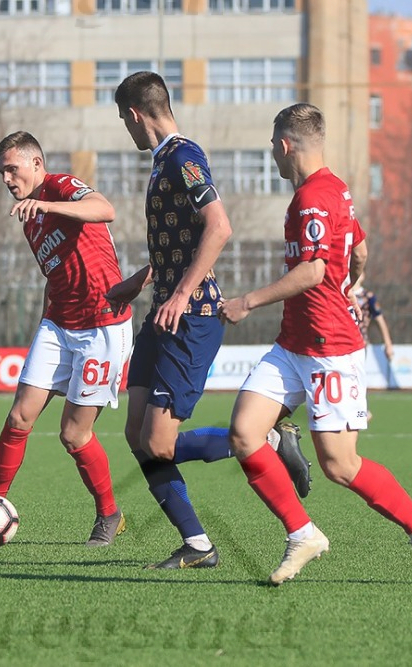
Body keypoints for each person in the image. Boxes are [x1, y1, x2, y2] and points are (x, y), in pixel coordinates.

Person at [219, 103, 412, 585]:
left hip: (330, 348)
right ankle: (302, 534)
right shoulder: (335, 188)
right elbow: (359, 249)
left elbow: (314, 270)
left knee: (340, 466)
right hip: (293, 344)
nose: (273, 155)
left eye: (272, 147)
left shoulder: (313, 198)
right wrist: (351, 286)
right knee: (244, 433)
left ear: (285, 146)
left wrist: (247, 301)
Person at [105, 71, 312, 569]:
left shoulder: (184, 156)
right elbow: (182, 240)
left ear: (135, 115)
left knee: (159, 442)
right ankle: (197, 544)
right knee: (137, 436)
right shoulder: (163, 162)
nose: (126, 130)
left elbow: (219, 227)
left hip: (192, 315)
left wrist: (180, 292)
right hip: (162, 313)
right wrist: (141, 280)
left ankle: (267, 439)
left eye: (124, 121)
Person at [0, 131, 133, 548]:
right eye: (0, 172)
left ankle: (110, 514)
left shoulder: (61, 186)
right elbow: (53, 277)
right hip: (58, 323)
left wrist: (48, 204)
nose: (5, 179)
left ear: (36, 164)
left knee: (73, 434)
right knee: (19, 417)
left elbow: (105, 209)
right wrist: (43, 325)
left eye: (11, 169)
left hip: (102, 326)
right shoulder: (29, 218)